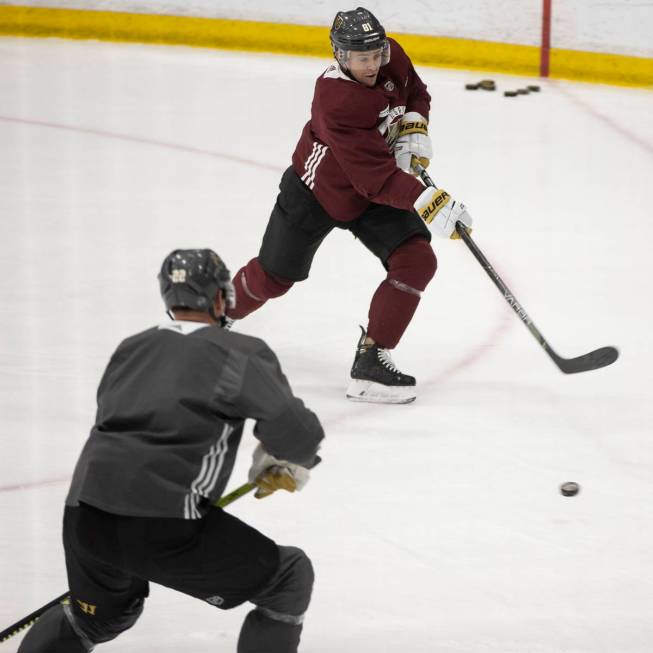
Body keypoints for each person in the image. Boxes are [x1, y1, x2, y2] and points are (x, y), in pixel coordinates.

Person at [18, 249, 324, 653]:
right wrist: (279, 459)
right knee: (288, 577)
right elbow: (298, 433)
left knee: (103, 614)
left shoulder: (131, 348)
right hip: (161, 523)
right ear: (220, 298)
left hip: (85, 515)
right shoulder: (238, 352)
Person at [226, 6, 473, 404]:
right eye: (362, 58)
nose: (373, 64)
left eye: (376, 55)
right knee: (273, 277)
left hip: (373, 189)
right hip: (316, 193)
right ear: (340, 56)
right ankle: (214, 314)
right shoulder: (336, 99)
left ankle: (371, 364)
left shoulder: (392, 56)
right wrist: (427, 200)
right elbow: (373, 178)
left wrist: (413, 126)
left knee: (416, 259)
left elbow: (416, 93)